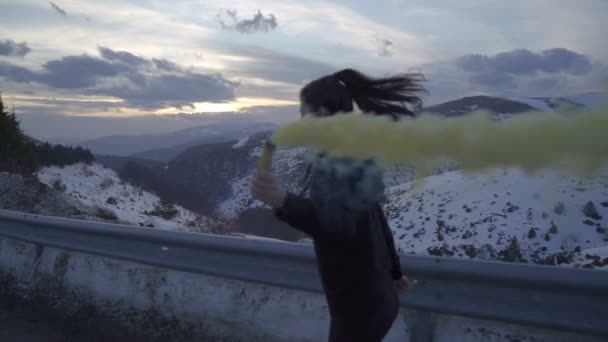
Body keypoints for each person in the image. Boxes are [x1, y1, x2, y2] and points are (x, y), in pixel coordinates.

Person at [250, 68, 425, 342]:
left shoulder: (335, 161)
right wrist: (394, 272)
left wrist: (284, 201)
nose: (300, 120)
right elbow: (375, 219)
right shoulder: (353, 152)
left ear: (321, 114)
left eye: (303, 112)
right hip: (379, 298)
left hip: (358, 306)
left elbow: (337, 227)